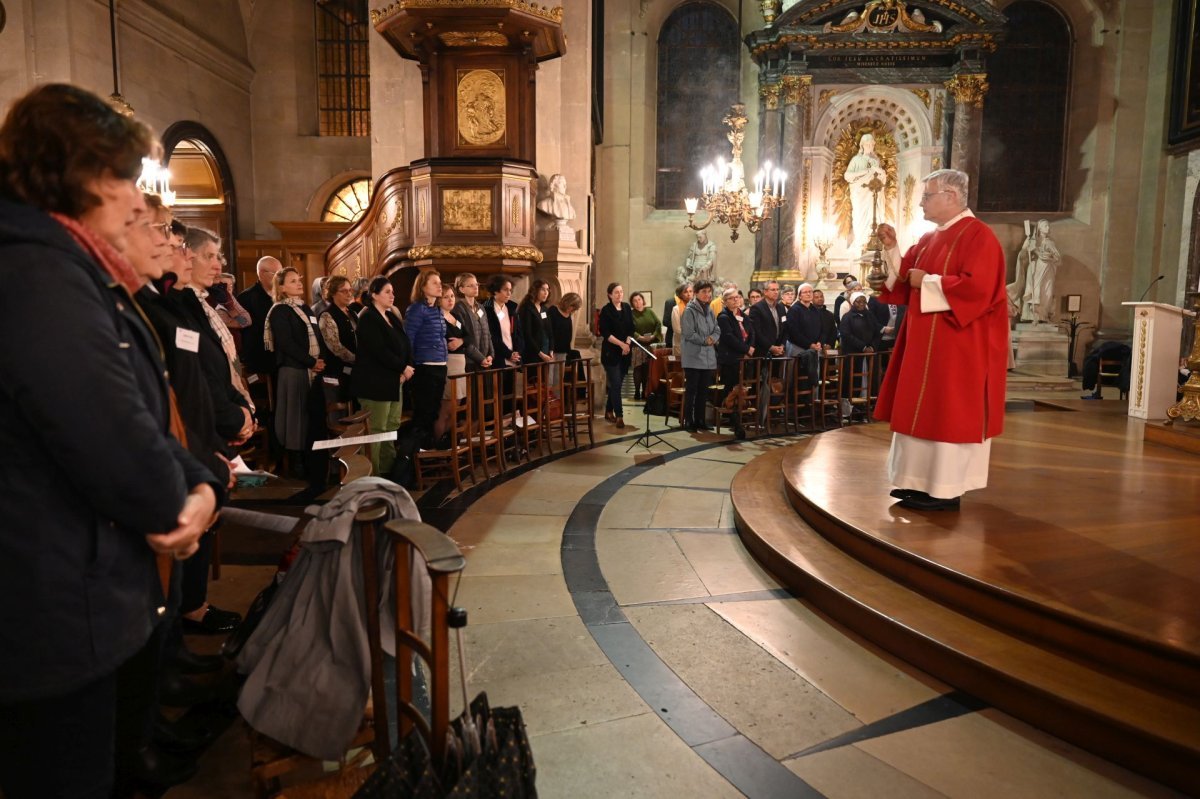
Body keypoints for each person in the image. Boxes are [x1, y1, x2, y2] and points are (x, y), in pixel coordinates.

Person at [0, 83, 218, 799]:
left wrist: (197, 477)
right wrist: (178, 495)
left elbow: (145, 410)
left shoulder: (67, 268)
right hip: (52, 614)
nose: (139, 200)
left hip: (77, 597)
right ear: (86, 175)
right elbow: (106, 427)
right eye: (125, 178)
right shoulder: (38, 274)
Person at [874, 168, 1009, 511]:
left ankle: (946, 489)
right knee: (920, 410)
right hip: (923, 343)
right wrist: (892, 250)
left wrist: (927, 281)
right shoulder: (929, 238)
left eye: (927, 196)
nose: (921, 202)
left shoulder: (980, 236)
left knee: (949, 411)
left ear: (951, 196)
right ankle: (917, 483)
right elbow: (905, 282)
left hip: (958, 344)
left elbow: (979, 290)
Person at [265, 266, 329, 484]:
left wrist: (318, 362)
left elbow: (316, 337)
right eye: (292, 281)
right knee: (294, 417)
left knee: (308, 416)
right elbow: (286, 343)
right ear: (281, 287)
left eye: (299, 279)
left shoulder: (306, 308)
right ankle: (295, 462)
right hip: (293, 370)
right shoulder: (280, 311)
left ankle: (309, 458)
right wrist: (311, 361)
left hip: (311, 371)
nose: (299, 283)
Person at [353, 276, 413, 476]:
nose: (392, 295)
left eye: (393, 291)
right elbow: (379, 351)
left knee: (391, 427)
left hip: (395, 380)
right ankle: (371, 475)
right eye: (387, 291)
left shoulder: (391, 316)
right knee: (376, 429)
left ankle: (388, 472)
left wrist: (407, 367)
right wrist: (402, 367)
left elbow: (404, 344)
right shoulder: (368, 318)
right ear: (374, 295)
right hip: (375, 382)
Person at [404, 270, 453, 442]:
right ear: (423, 287)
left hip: (439, 366)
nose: (440, 286)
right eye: (434, 283)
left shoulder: (437, 310)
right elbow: (408, 339)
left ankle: (426, 450)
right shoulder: (417, 309)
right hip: (424, 367)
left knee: (433, 412)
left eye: (440, 282)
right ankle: (414, 454)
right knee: (423, 414)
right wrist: (409, 365)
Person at [716, 286, 755, 438]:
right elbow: (729, 338)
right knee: (731, 389)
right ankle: (733, 419)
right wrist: (746, 350)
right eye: (732, 298)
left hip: (744, 357)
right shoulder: (723, 317)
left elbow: (752, 332)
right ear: (725, 302)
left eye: (737, 297)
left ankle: (739, 416)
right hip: (730, 359)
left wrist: (750, 348)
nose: (736, 300)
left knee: (742, 388)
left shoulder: (742, 315)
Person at [681, 280, 719, 432]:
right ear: (696, 293)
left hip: (708, 357)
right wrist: (706, 340)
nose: (707, 294)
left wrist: (713, 338)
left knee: (704, 391)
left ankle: (700, 419)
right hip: (693, 357)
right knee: (692, 390)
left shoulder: (709, 310)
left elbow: (717, 329)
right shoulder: (689, 310)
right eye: (704, 291)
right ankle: (688, 420)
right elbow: (689, 334)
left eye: (709, 291)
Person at [1007, 219, 1060, 325]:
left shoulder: (1050, 242)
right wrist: (1029, 250)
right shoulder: (1031, 241)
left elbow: (1057, 258)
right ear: (1039, 228)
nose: (1048, 228)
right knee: (1035, 292)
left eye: (1048, 226)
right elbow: (1022, 256)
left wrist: (1049, 256)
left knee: (1047, 293)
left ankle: (1043, 316)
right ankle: (1032, 316)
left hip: (1048, 270)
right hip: (1036, 269)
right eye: (1046, 226)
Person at [598, 281, 635, 428]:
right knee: (616, 384)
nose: (620, 294)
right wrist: (621, 344)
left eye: (621, 291)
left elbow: (632, 328)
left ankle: (608, 411)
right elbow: (605, 333)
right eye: (616, 292)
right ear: (610, 295)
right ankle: (619, 416)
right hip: (611, 352)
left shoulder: (626, 307)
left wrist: (627, 343)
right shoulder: (606, 311)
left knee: (616, 385)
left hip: (625, 352)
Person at [318, 275, 358, 409]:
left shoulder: (352, 313)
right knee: (341, 416)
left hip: (355, 370)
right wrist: (357, 359)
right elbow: (335, 347)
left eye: (350, 290)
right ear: (333, 293)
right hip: (337, 371)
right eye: (344, 291)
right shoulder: (327, 315)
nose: (349, 294)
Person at [843, 132, 886, 252]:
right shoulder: (856, 160)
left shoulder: (876, 161)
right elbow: (847, 176)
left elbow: (881, 180)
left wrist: (881, 174)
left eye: (871, 145)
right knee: (859, 217)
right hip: (859, 195)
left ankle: (872, 241)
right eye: (867, 145)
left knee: (874, 216)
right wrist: (865, 172)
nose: (870, 147)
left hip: (873, 194)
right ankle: (861, 242)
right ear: (862, 146)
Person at [451, 272, 494, 373]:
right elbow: (464, 338)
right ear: (461, 289)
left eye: (476, 284)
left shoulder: (481, 307)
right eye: (471, 285)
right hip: (470, 362)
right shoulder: (458, 308)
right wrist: (480, 359)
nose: (475, 287)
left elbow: (488, 333)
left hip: (486, 361)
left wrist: (491, 355)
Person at [517, 278, 556, 378]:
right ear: (535, 290)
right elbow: (527, 335)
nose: (546, 293)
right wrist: (541, 354)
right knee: (533, 384)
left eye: (548, 290)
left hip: (546, 352)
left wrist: (551, 350)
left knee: (544, 384)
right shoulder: (527, 308)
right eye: (543, 289)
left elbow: (550, 332)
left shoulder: (544, 309)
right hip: (533, 354)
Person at [629, 291, 662, 400]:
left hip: (650, 345)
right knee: (638, 369)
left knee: (647, 369)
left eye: (639, 299)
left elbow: (658, 324)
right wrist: (639, 337)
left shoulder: (650, 312)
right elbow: (629, 328)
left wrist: (654, 335)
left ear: (643, 300)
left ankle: (645, 391)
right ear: (632, 303)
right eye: (635, 301)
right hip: (637, 345)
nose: (637, 302)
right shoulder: (631, 314)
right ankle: (637, 391)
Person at [670, 282, 693, 357]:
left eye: (690, 291)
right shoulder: (676, 309)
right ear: (680, 294)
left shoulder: (696, 307)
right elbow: (677, 330)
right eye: (685, 292)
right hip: (681, 344)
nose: (689, 294)